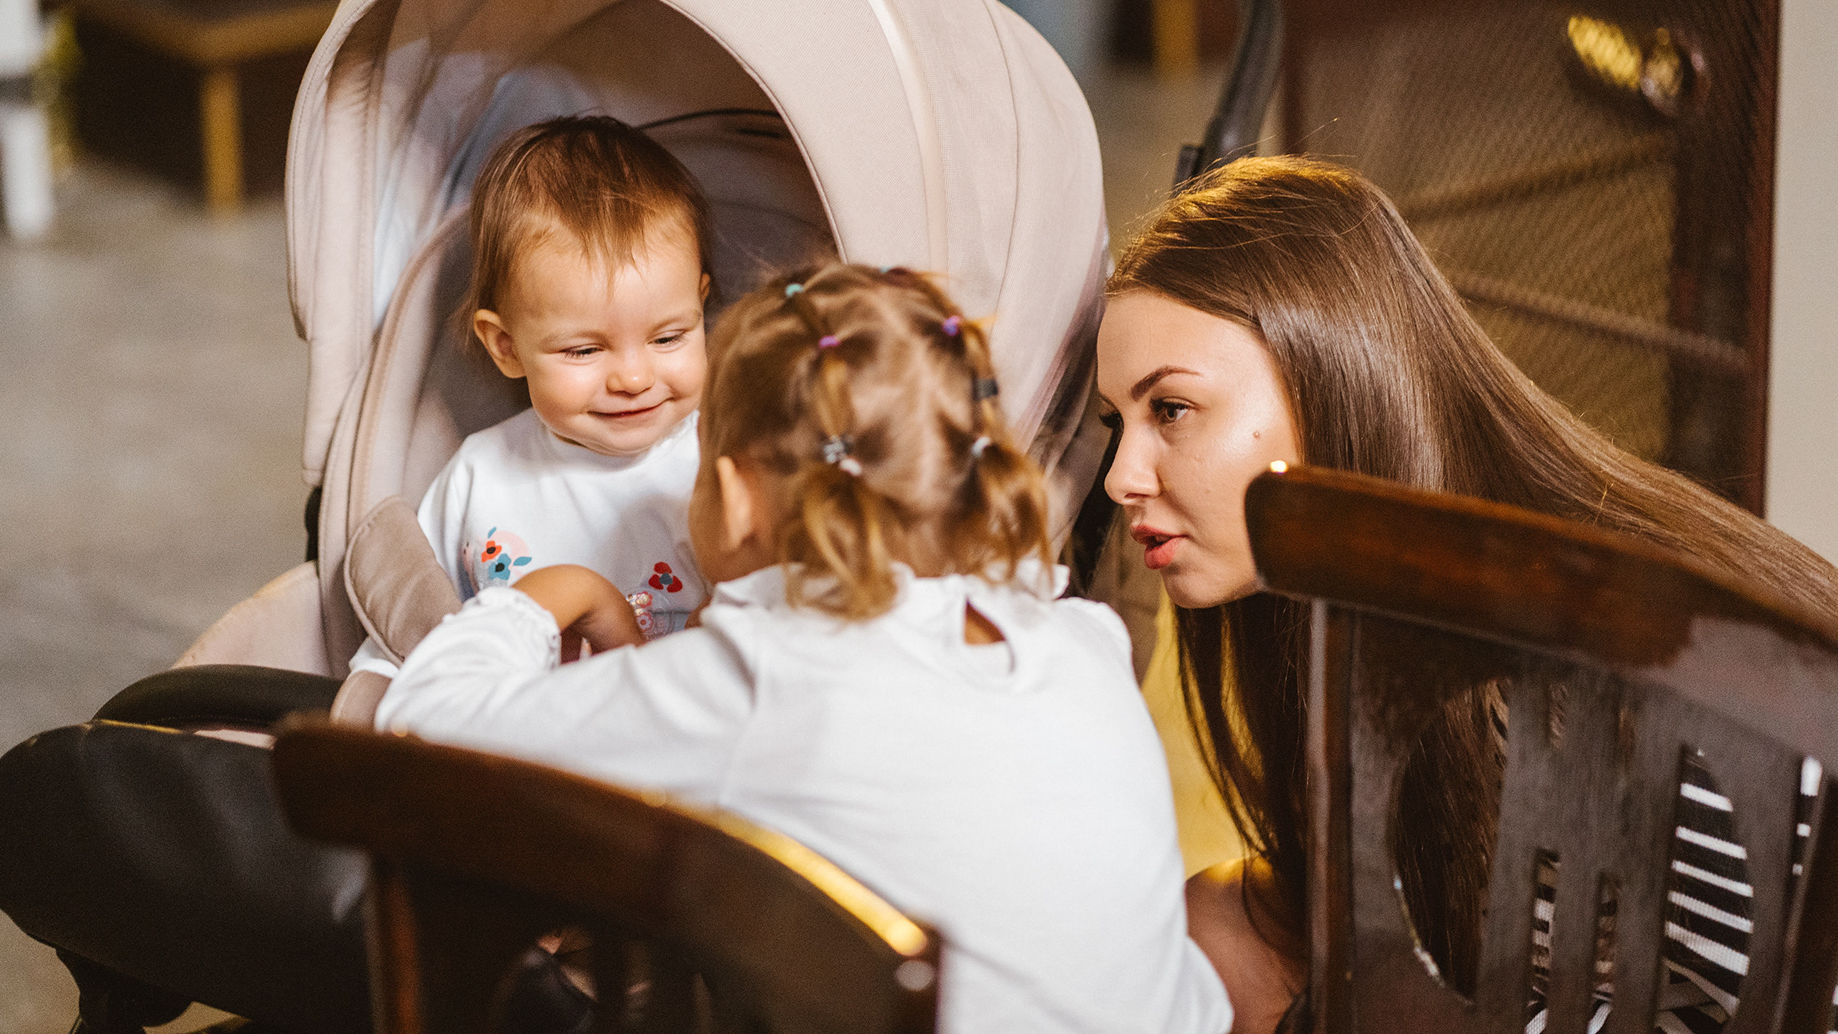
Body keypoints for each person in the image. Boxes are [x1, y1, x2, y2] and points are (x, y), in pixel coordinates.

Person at [378, 263, 1234, 1034]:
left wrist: (548, 592)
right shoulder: (1081, 633)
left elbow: (423, 726)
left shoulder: (764, 674)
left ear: (733, 496)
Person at [1093, 156, 1838, 1034]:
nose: (1119, 476)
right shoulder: (1352, 610)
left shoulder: (1581, 672)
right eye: (1116, 422)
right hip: (1546, 979)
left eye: (1171, 409)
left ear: (1330, 377)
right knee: (1214, 928)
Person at [353, 115, 713, 682]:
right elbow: (408, 641)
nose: (633, 377)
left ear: (701, 307)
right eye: (584, 350)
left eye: (668, 338)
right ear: (506, 347)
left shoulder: (723, 469)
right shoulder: (479, 476)